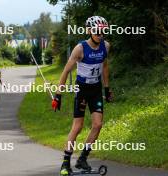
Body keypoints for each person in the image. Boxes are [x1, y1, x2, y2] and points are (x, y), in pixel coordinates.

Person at [52, 16, 113, 176]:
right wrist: (58, 95)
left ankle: (82, 159)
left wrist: (107, 89)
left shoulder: (105, 46)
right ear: (90, 31)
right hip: (82, 90)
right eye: (97, 32)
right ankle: (65, 163)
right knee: (77, 127)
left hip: (96, 90)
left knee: (98, 125)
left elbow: (105, 67)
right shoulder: (80, 48)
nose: (100, 35)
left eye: (103, 31)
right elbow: (66, 71)